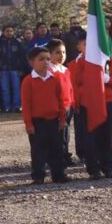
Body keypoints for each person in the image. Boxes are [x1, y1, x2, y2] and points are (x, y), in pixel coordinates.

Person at [70, 32, 112, 178]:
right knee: (90, 137)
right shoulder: (77, 63)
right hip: (88, 104)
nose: (91, 48)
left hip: (107, 102)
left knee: (107, 136)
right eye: (86, 45)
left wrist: (106, 78)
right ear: (79, 47)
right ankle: (93, 168)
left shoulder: (109, 62)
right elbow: (75, 83)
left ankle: (108, 166)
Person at [21, 46, 70, 184]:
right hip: (38, 122)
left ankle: (58, 174)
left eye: (48, 59)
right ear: (32, 62)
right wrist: (29, 123)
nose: (45, 62)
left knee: (57, 149)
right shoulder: (28, 81)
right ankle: (38, 176)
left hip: (54, 120)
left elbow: (61, 100)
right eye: (41, 59)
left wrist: (62, 119)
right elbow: (26, 105)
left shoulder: (55, 79)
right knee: (38, 151)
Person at [47, 38, 77, 166]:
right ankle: (56, 157)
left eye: (64, 52)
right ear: (50, 54)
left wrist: (72, 103)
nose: (62, 55)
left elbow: (70, 89)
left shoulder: (65, 69)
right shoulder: (49, 71)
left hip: (67, 107)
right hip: (57, 108)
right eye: (58, 52)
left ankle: (65, 154)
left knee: (66, 133)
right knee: (56, 135)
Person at [0, 25, 25, 113]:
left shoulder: (18, 42)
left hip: (15, 70)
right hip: (3, 70)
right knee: (4, 89)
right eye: (7, 31)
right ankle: (6, 107)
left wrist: (21, 69)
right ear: (3, 32)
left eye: (11, 31)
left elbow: (22, 57)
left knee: (16, 88)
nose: (9, 33)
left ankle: (17, 106)